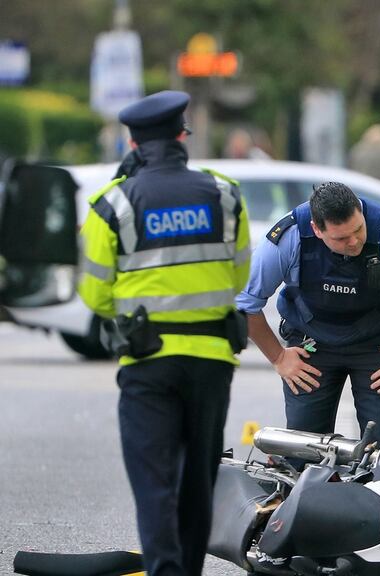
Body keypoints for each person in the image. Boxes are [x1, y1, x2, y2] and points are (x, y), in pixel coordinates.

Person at [79, 90, 251, 576]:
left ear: (132, 143)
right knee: (198, 478)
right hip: (212, 360)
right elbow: (238, 278)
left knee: (154, 482)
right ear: (182, 137)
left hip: (148, 361)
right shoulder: (225, 194)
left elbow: (94, 295)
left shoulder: (112, 203)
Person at [236, 182, 380, 454]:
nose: (354, 242)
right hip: (312, 341)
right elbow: (245, 303)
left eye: (358, 230)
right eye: (341, 239)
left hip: (378, 341)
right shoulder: (290, 237)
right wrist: (278, 357)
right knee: (303, 446)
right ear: (317, 229)